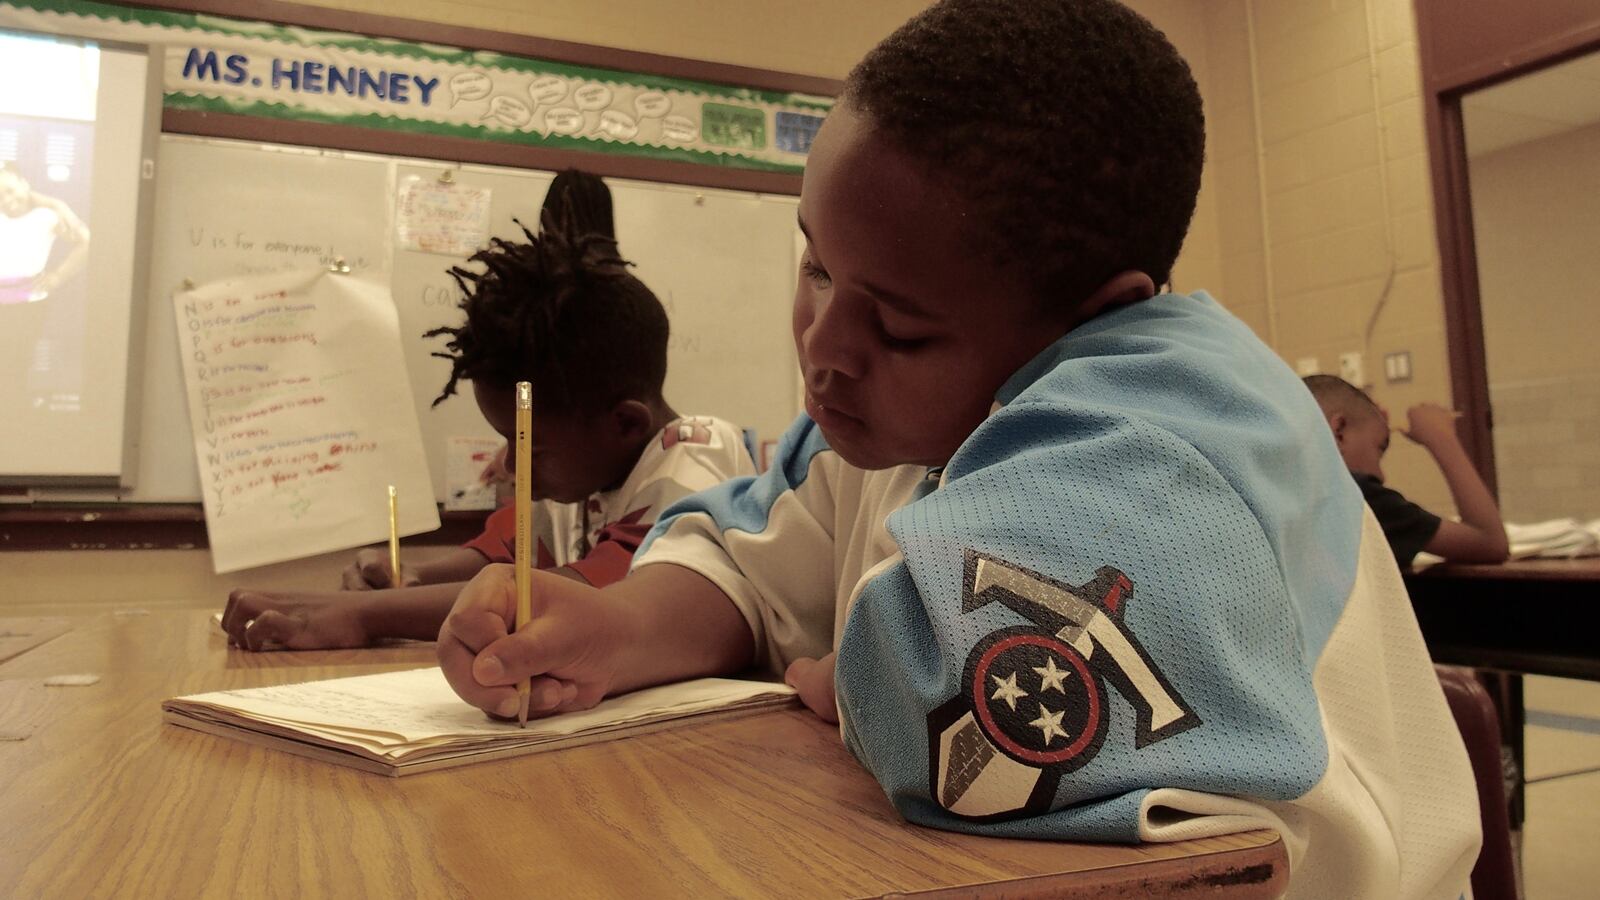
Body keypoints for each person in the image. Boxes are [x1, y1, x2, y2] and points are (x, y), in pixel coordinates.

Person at [434, 2, 1479, 896]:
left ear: (1091, 315)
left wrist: (861, 680)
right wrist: (614, 627)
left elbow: (955, 722)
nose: (825, 350)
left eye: (899, 328)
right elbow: (755, 549)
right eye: (815, 268)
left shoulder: (1171, 424)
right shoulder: (889, 420)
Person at [220, 185, 754, 650]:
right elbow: (499, 556)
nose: (511, 465)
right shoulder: (582, 473)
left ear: (626, 424)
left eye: (527, 443)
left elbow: (579, 594)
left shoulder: (693, 467)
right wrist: (409, 577)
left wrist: (359, 616)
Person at [1304, 374, 1509, 567]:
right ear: (1339, 431)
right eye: (1380, 448)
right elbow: (1491, 543)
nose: (1381, 476)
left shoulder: (1290, 489)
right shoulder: (1353, 496)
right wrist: (1440, 436)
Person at [0, 162, 89, 305]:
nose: (6, 200)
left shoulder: (46, 216)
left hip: (30, 301)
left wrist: (58, 277)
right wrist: (56, 204)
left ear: (24, 184)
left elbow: (87, 242)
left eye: (10, 191)